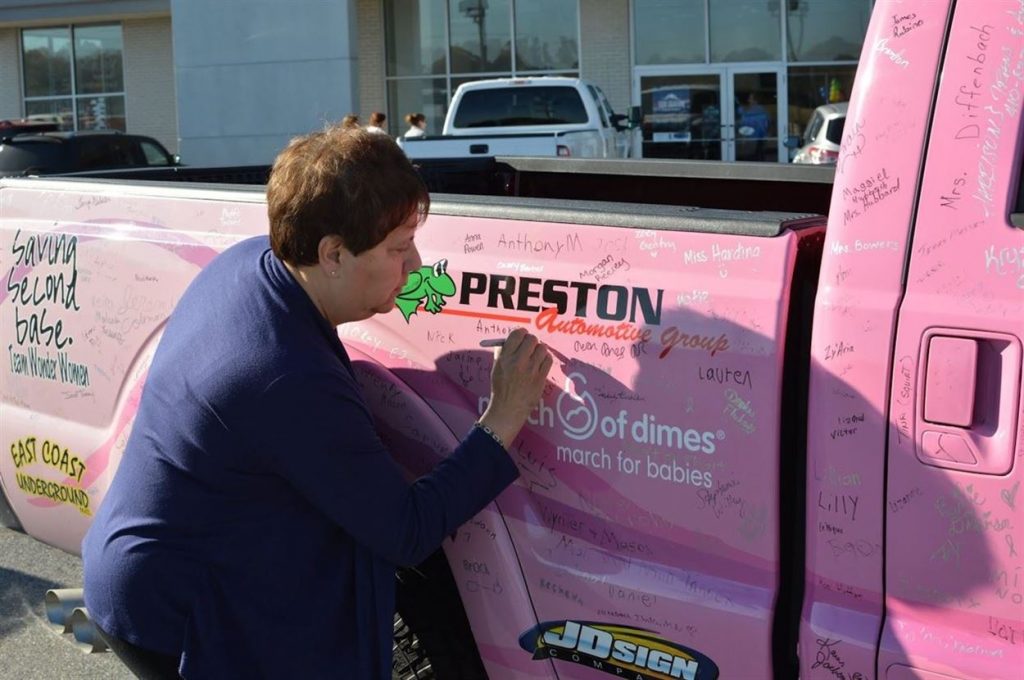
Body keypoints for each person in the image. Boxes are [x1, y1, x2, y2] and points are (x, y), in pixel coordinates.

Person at [81, 126, 552, 679]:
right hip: (178, 610)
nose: (418, 266)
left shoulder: (254, 263)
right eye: (399, 247)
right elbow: (405, 530)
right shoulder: (281, 375)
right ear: (332, 253)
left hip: (149, 562)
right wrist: (503, 417)